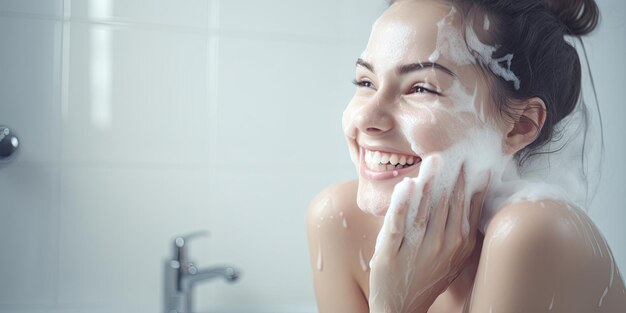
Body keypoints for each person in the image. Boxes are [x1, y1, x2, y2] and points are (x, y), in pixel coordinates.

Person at [306, 0, 626, 312]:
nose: (365, 119)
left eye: (421, 88)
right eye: (366, 82)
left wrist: (395, 305)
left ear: (520, 125)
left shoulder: (527, 234)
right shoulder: (340, 220)